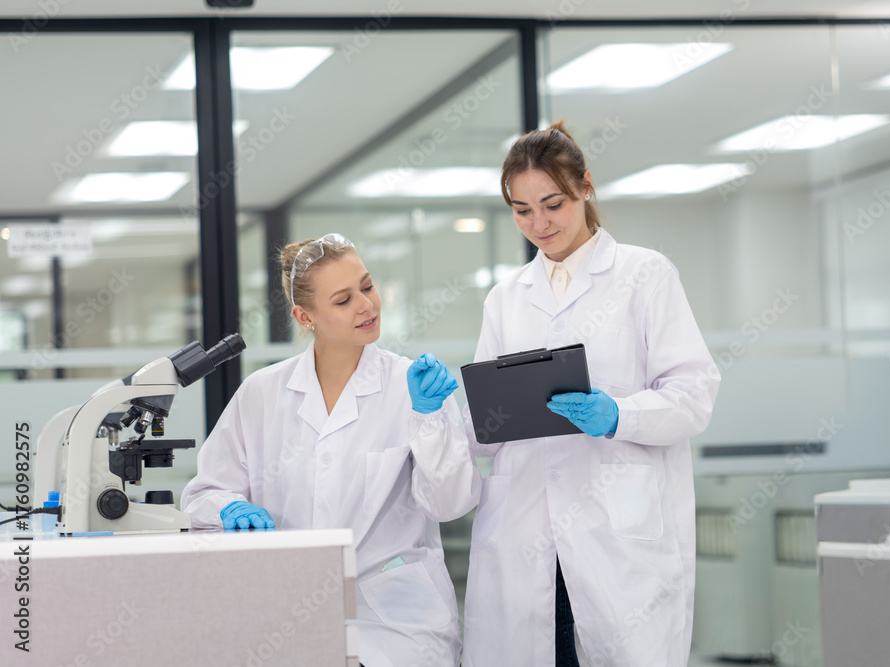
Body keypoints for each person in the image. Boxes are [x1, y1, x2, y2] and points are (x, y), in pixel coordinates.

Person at [461, 122, 720, 667]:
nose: (539, 223)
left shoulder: (644, 274)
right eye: (522, 209)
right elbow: (485, 431)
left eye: (552, 203)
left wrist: (617, 415)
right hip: (525, 532)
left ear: (585, 186)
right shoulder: (506, 299)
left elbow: (694, 394)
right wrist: (449, 412)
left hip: (617, 536)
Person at [181, 233, 481, 667]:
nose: (366, 305)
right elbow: (204, 492)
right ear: (306, 316)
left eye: (367, 285)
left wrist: (430, 420)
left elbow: (451, 503)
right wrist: (228, 507)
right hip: (287, 614)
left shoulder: (413, 386)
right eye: (343, 300)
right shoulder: (263, 393)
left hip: (396, 622)